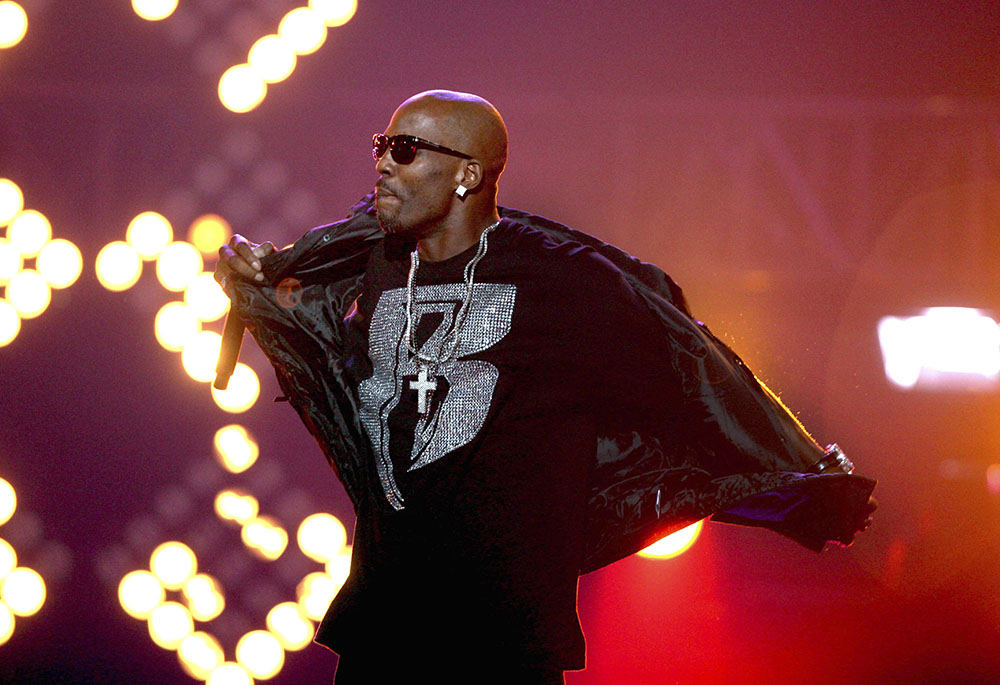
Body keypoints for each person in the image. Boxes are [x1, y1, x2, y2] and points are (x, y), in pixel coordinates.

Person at [215, 90, 876, 684]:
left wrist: (800, 482)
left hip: (502, 648)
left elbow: (691, 371)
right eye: (382, 146)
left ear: (469, 174)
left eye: (407, 150)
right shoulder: (382, 262)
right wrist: (268, 290)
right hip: (382, 637)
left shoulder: (566, 282)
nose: (385, 163)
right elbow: (346, 370)